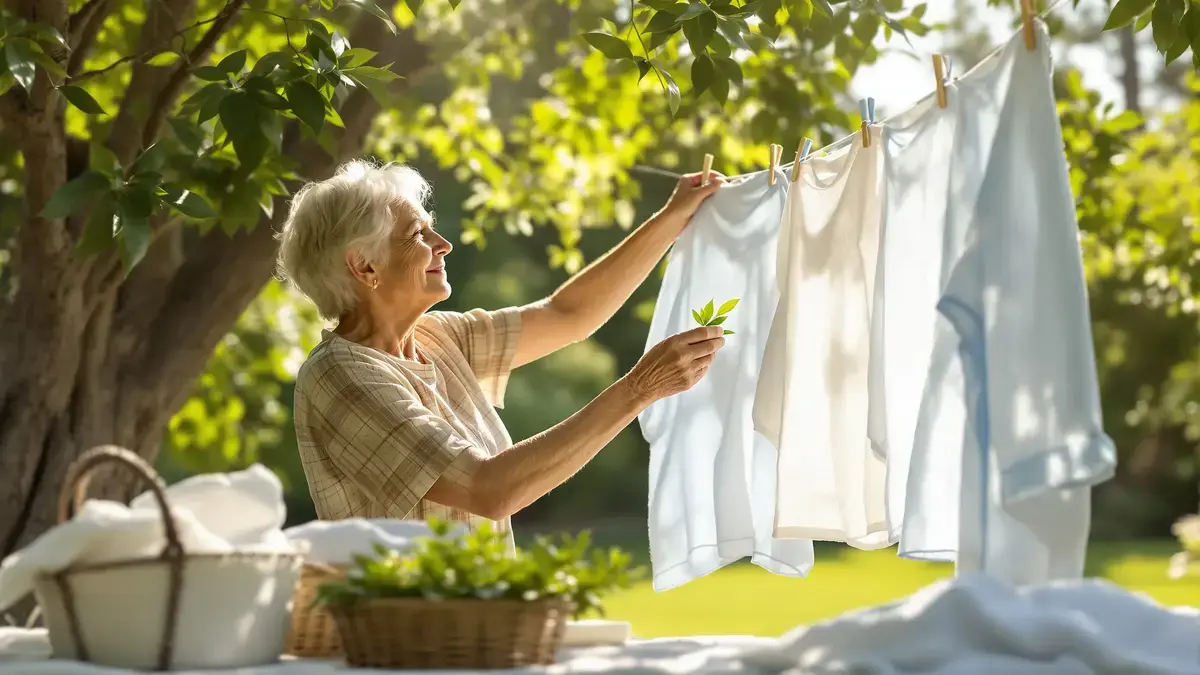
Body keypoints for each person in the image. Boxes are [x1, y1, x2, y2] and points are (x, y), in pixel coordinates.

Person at [278, 159, 727, 547]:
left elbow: (568, 314)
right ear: (364, 265)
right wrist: (638, 390)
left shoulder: (437, 339)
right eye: (418, 234)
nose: (443, 244)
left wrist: (675, 215)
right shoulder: (341, 375)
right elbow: (487, 489)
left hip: (474, 619)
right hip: (406, 633)